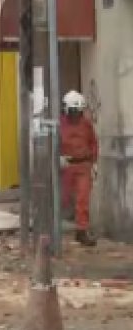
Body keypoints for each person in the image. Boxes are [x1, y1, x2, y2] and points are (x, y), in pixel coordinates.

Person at [59, 90, 99, 247]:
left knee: (83, 199)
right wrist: (57, 157)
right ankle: (53, 231)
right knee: (62, 199)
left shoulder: (86, 123)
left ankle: (81, 231)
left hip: (83, 165)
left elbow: (93, 142)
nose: (75, 115)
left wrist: (94, 163)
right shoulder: (60, 123)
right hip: (66, 165)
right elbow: (53, 142)